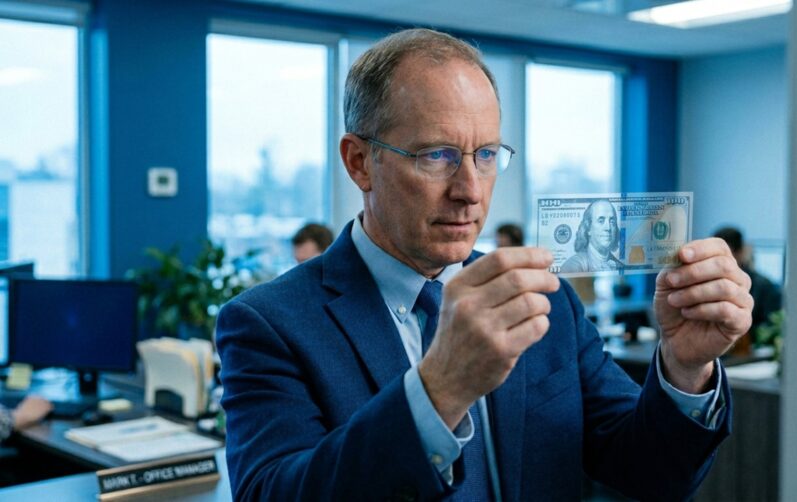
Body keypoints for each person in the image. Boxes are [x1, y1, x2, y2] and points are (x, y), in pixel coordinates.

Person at [217, 28, 752, 501]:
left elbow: (649, 474)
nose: (470, 191)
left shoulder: (546, 302)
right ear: (360, 162)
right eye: (436, 155)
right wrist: (439, 390)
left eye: (487, 155)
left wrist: (685, 368)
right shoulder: (268, 323)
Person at [713, 226, 782, 339]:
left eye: (723, 256)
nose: (719, 262)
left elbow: (770, 330)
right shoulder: (710, 284)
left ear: (740, 253)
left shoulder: (765, 287)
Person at [560, 198, 625, 273]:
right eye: (601, 221)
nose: (608, 228)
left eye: (612, 221)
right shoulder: (573, 266)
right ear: (588, 228)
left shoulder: (620, 266)